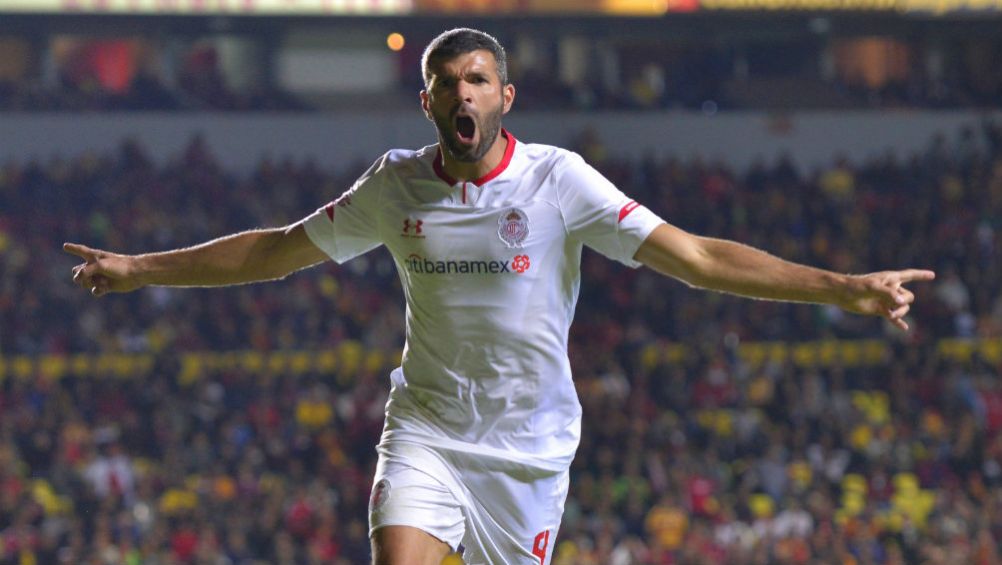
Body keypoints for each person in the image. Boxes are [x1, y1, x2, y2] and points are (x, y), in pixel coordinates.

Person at [64, 28, 935, 565]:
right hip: (429, 431)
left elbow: (699, 256)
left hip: (529, 451)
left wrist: (844, 289)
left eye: (478, 79)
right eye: (448, 82)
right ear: (428, 100)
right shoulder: (395, 186)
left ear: (505, 96)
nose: (463, 93)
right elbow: (278, 250)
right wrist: (144, 266)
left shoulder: (560, 181)